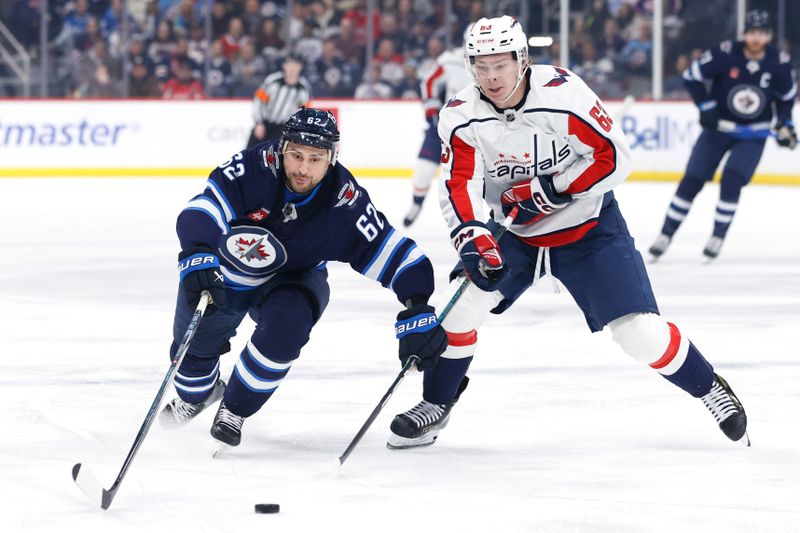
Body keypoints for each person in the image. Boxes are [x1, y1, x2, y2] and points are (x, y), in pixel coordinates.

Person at [387, 16, 749, 450]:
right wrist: (470, 236)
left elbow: (615, 158)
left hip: (589, 228)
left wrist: (552, 188)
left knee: (639, 334)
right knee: (461, 309)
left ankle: (709, 387)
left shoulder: (564, 94)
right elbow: (458, 183)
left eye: (500, 63)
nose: (491, 76)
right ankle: (435, 405)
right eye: (480, 65)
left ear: (522, 59)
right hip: (516, 233)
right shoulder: (460, 115)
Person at [159, 108, 447, 448]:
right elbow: (203, 209)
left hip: (294, 277)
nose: (303, 169)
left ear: (332, 159)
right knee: (190, 364)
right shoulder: (253, 167)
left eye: (315, 159)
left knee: (288, 325)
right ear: (282, 149)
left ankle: (234, 408)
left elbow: (396, 255)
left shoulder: (344, 201)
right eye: (296, 155)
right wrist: (196, 253)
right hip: (226, 272)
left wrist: (417, 304)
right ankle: (198, 397)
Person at [649, 10, 797, 260]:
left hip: (753, 136)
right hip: (717, 130)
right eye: (752, 33)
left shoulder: (779, 63)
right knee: (692, 180)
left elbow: (786, 100)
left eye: (761, 33)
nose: (756, 38)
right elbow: (692, 77)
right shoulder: (726, 53)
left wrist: (785, 125)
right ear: (744, 34)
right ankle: (666, 234)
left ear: (769, 36)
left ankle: (717, 236)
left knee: (732, 180)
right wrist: (706, 106)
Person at [401, 29, 472, 227]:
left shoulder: (495, 65)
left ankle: (475, 216)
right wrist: (432, 110)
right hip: (445, 125)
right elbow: (429, 82)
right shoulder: (450, 60)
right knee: (424, 168)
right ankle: (416, 204)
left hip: (477, 129)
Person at [245, 55, 311, 149]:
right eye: (289, 64)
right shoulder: (272, 81)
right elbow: (259, 101)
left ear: (300, 67)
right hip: (264, 123)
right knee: (249, 155)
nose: (292, 68)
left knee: (271, 159)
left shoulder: (303, 88)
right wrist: (258, 122)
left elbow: (304, 113)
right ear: (284, 66)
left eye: (295, 64)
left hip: (282, 130)